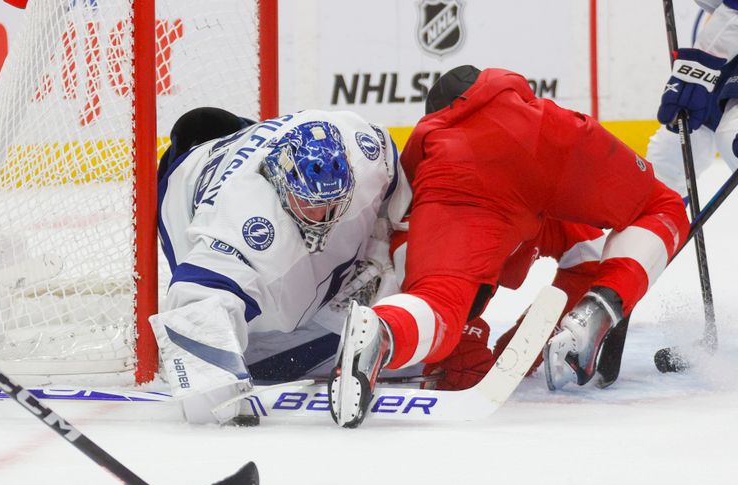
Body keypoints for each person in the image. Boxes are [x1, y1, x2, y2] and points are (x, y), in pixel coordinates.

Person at [328, 65, 690, 428]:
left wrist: (457, 342)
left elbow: (415, 269)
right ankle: (603, 305)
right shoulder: (536, 128)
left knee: (441, 301)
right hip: (549, 136)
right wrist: (519, 354)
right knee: (663, 206)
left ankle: (383, 334)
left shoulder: (430, 165)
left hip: (462, 172)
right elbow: (588, 257)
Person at [150, 108, 410, 424]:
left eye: (333, 203)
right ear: (278, 181)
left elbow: (399, 196)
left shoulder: (366, 146)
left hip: (242, 142)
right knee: (247, 307)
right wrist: (221, 406)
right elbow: (191, 301)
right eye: (311, 205)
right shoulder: (245, 221)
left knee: (382, 266)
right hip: (181, 191)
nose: (324, 217)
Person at [647, 0, 738, 197]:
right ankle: (657, 224)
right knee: (666, 167)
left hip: (724, 51)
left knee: (732, 135)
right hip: (728, 61)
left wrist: (697, 72)